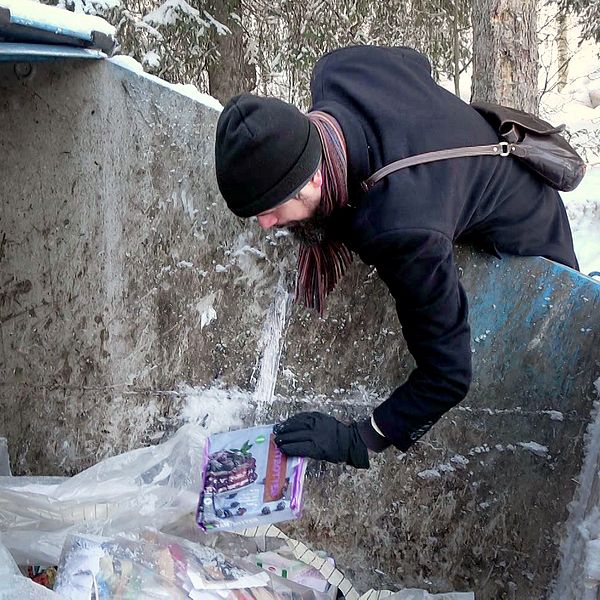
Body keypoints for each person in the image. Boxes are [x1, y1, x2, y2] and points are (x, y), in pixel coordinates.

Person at [214, 45, 579, 469]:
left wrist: (358, 438)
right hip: (466, 168)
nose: (265, 225)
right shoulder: (337, 69)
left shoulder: (400, 228)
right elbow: (415, 63)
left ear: (313, 178)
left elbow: (448, 375)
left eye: (272, 209)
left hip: (530, 235)